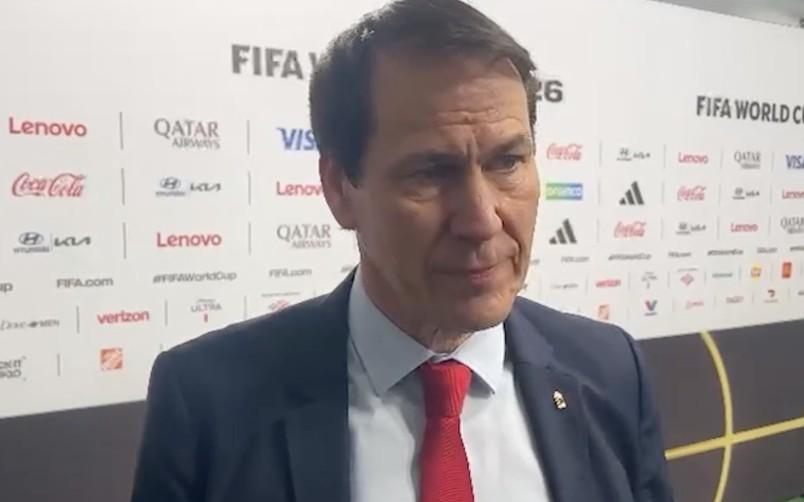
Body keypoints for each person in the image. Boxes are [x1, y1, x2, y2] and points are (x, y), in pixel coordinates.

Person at [130, 1, 675, 501]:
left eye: (507, 162)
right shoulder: (208, 401)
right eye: (431, 172)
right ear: (340, 189)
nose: (482, 220)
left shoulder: (611, 371)